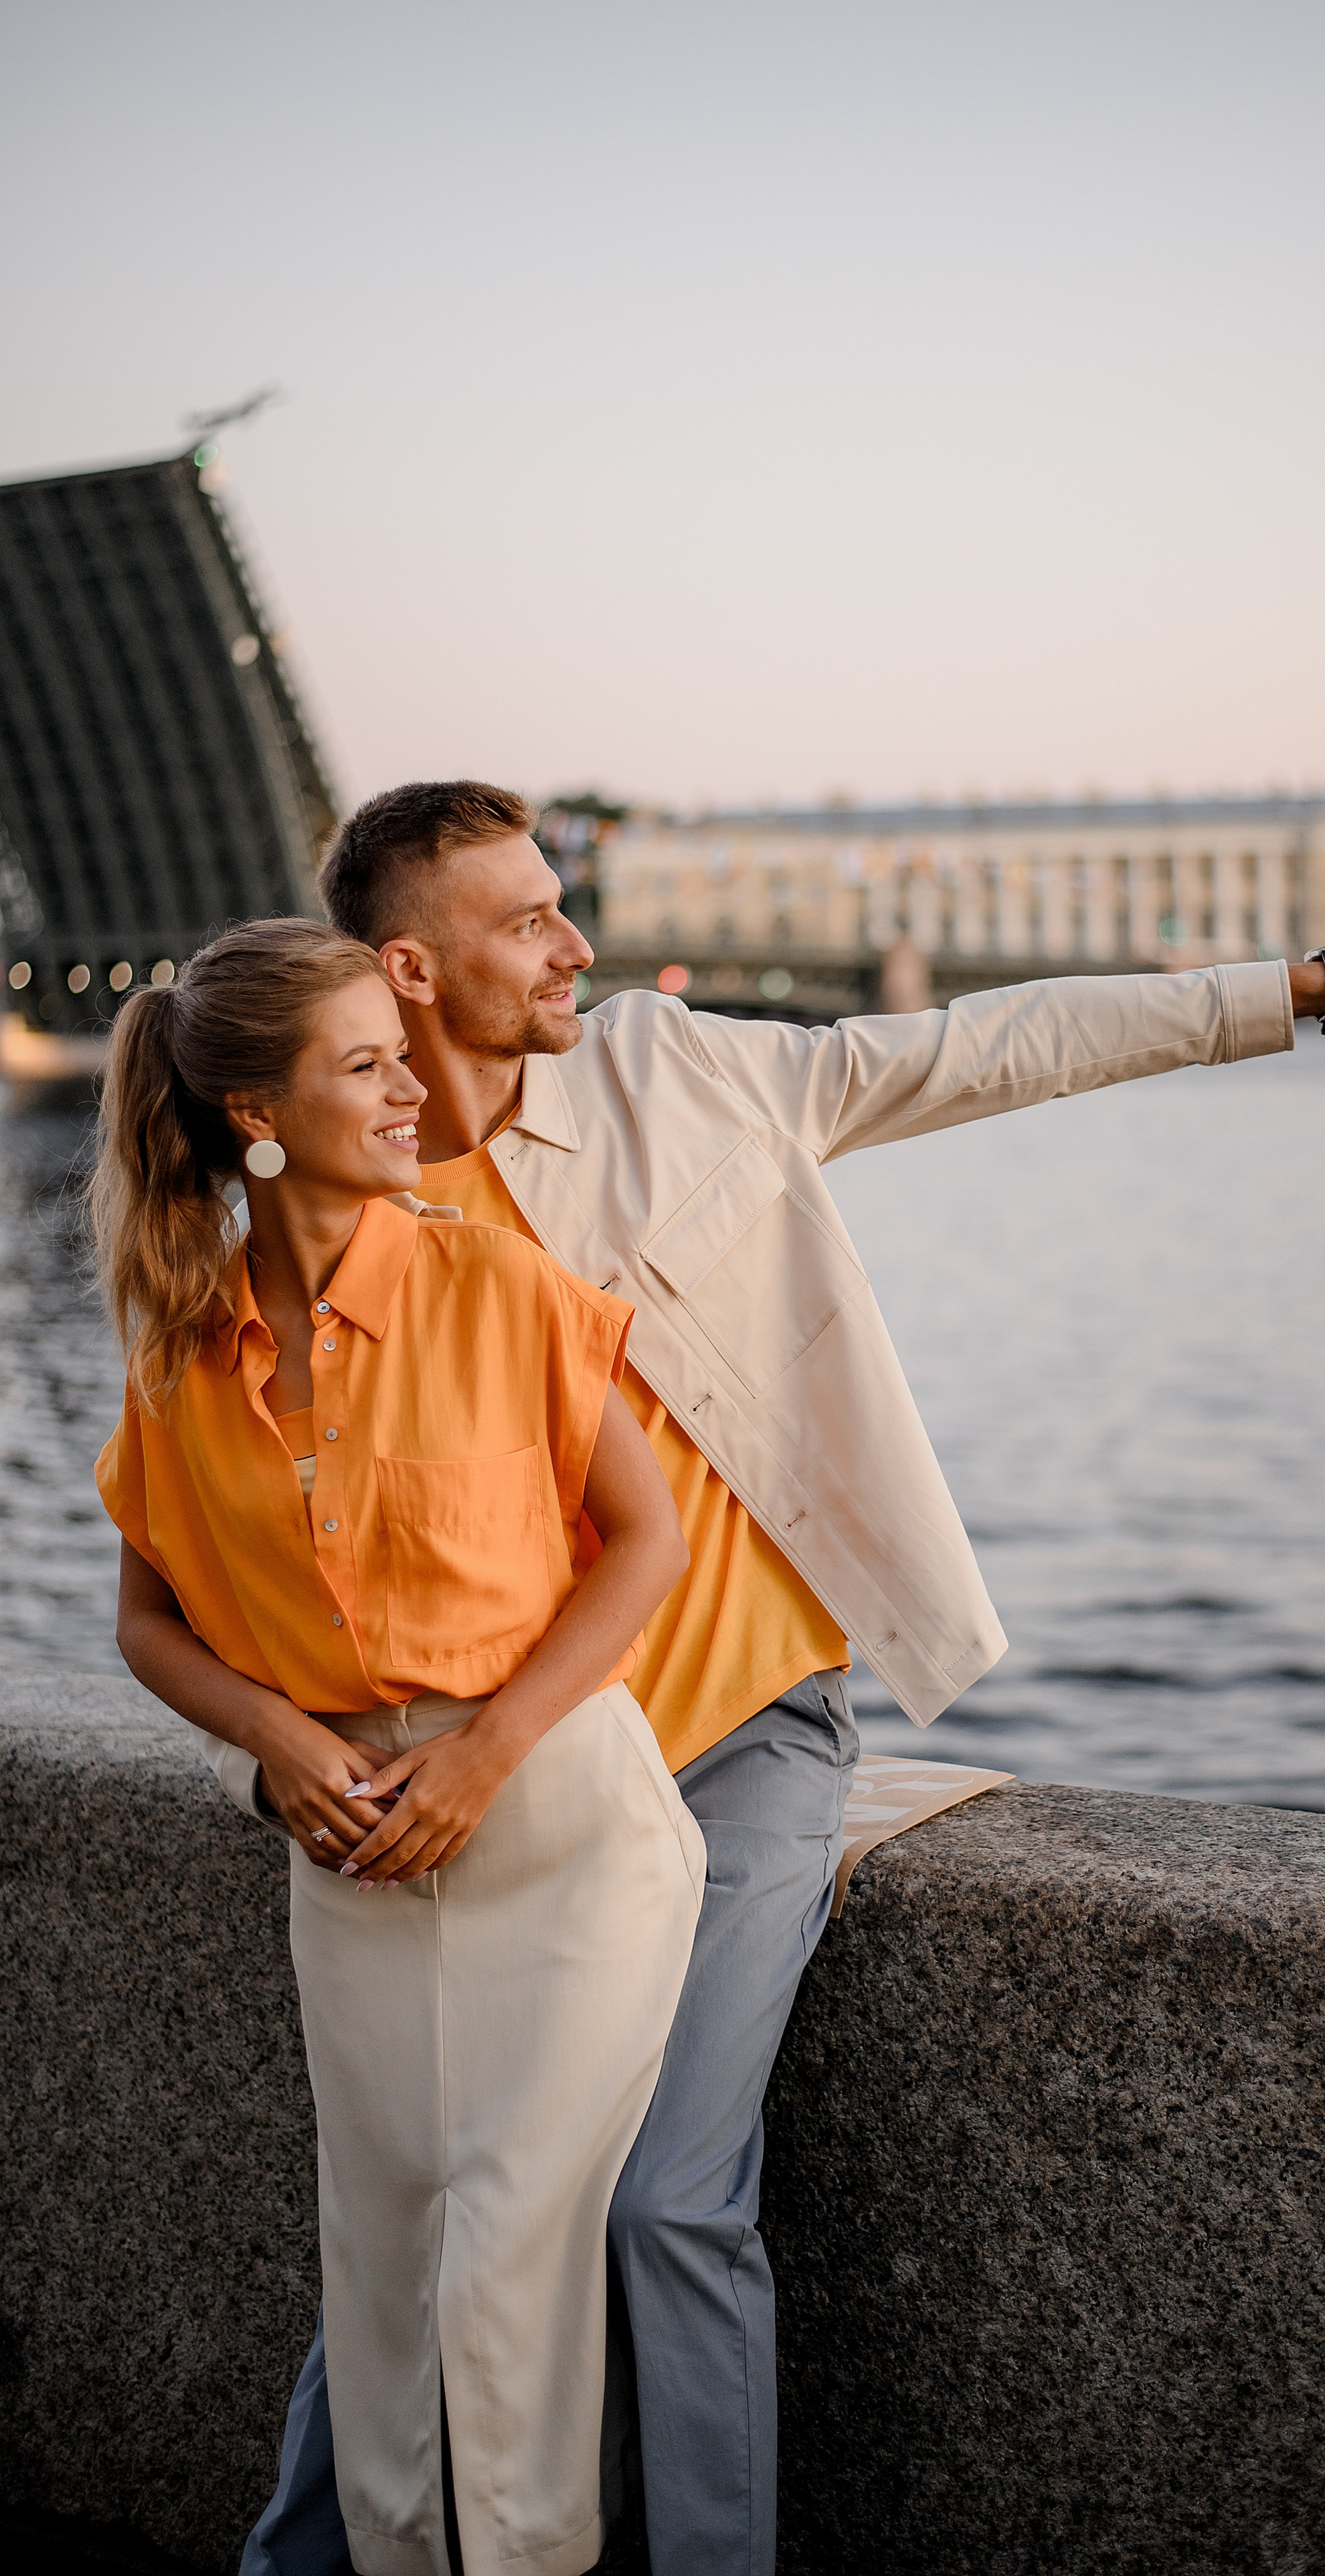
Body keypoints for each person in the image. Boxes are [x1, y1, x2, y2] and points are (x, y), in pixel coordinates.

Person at [236, 782, 1325, 2576]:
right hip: (524, 1778)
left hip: (755, 1735)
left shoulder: (676, 1073)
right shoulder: (348, 1207)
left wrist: (1314, 985)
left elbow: (994, 1047)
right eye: (526, 920)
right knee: (444, 2217)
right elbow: (269, 1538)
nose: (574, 942)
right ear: (410, 966)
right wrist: (293, 1745)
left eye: (564, 903)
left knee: (661, 2200)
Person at [89, 918, 705, 2576]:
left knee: (503, 2245)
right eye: (362, 1065)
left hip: (561, 1825)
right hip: (344, 1837)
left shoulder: (499, 1284)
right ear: (251, 1114)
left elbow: (645, 1548)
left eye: (400, 1054)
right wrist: (275, 1736)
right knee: (378, 2260)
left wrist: (485, 1755)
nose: (411, 1089)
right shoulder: (179, 1348)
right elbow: (147, 1623)